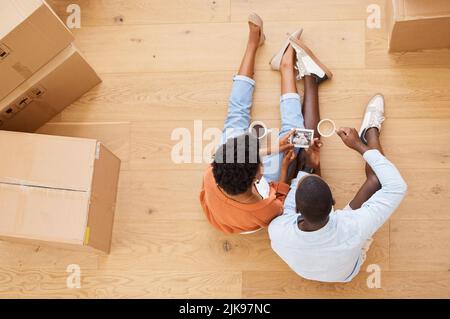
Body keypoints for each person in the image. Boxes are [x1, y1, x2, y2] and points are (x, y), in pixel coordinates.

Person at [199, 13, 330, 234]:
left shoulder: (212, 174)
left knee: (239, 119)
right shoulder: (267, 207)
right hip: (248, 218)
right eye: (260, 161)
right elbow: (279, 194)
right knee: (293, 137)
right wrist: (285, 170)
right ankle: (286, 66)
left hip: (228, 204)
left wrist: (274, 148)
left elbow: (243, 161)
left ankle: (254, 44)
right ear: (259, 175)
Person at [268, 94, 408, 282]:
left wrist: (310, 168)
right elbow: (397, 186)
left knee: (374, 181)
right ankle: (370, 132)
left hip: (310, 270)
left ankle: (368, 131)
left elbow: (291, 200)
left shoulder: (278, 229)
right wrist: (358, 145)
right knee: (376, 181)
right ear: (333, 204)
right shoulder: (354, 225)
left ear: (295, 208)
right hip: (348, 271)